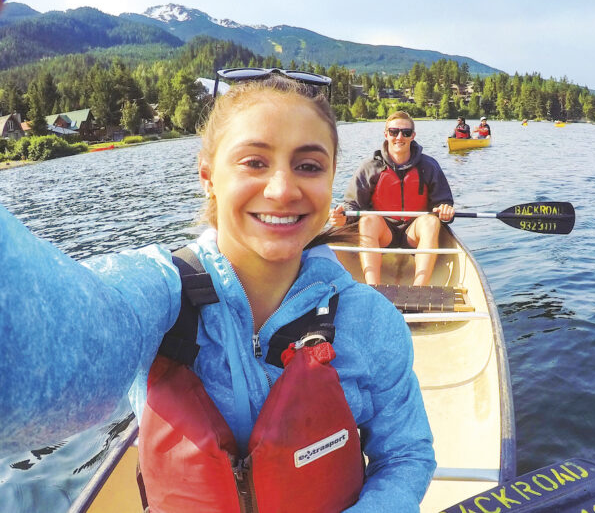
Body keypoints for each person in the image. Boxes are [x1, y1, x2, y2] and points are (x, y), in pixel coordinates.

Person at [0, 72, 436, 511]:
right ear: (209, 176)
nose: (283, 190)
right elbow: (43, 351)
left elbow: (404, 455)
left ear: (330, 179)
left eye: (308, 166)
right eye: (254, 162)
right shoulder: (156, 296)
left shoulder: (370, 321)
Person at [329, 111, 455, 287]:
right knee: (368, 220)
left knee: (431, 222)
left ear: (413, 136)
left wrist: (445, 211)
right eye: (394, 132)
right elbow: (352, 206)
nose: (399, 137)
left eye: (406, 132)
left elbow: (443, 202)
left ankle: (419, 289)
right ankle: (374, 288)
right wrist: (342, 218)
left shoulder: (429, 166)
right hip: (384, 234)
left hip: (414, 233)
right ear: (386, 134)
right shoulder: (370, 167)